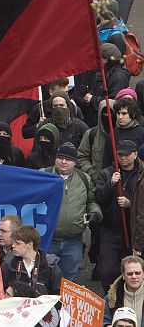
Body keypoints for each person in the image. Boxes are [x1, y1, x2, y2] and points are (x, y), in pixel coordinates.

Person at [43, 142, 102, 281]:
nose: (63, 162)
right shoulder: (43, 175)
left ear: (75, 162)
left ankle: (65, 303)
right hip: (47, 239)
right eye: (60, 158)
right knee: (45, 278)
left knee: (68, 280)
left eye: (68, 159)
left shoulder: (84, 179)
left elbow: (91, 201)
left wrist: (95, 214)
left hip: (73, 239)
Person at [96, 140, 143, 291]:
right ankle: (111, 299)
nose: (123, 158)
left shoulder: (140, 176)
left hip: (131, 230)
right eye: (120, 155)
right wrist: (110, 184)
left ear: (135, 155)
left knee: (131, 271)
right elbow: (98, 197)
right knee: (108, 270)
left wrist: (131, 204)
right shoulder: (107, 173)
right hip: (110, 229)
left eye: (127, 155)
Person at [0, 225, 63, 294]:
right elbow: (1, 291)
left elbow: (58, 295)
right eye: (13, 242)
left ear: (30, 245)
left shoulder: (50, 266)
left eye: (17, 243)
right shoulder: (8, 264)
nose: (13, 246)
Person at [104, 256, 144, 326]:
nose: (134, 277)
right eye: (129, 273)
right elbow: (103, 320)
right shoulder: (111, 299)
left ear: (143, 274)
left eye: (137, 273)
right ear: (123, 275)